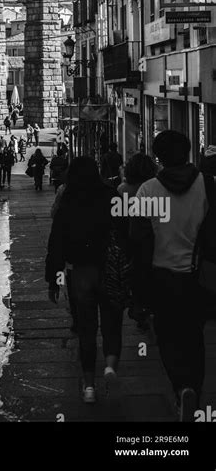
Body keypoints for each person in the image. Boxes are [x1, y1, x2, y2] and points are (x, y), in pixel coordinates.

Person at [132, 130, 210, 422]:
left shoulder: (147, 190)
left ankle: (181, 388)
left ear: (158, 157)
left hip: (161, 278)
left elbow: (138, 242)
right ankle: (195, 391)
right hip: (199, 277)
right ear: (189, 152)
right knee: (194, 336)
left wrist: (138, 291)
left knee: (167, 338)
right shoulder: (208, 185)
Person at [45, 158, 126, 404]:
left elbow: (56, 241)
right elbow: (125, 231)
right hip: (109, 269)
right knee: (112, 322)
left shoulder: (68, 199)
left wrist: (53, 278)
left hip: (81, 271)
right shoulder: (112, 195)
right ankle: (111, 365)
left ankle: (89, 386)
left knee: (86, 329)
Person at [117, 153, 157, 330]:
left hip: (128, 241)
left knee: (135, 276)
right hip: (153, 239)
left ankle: (139, 305)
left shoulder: (122, 190)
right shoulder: (157, 188)